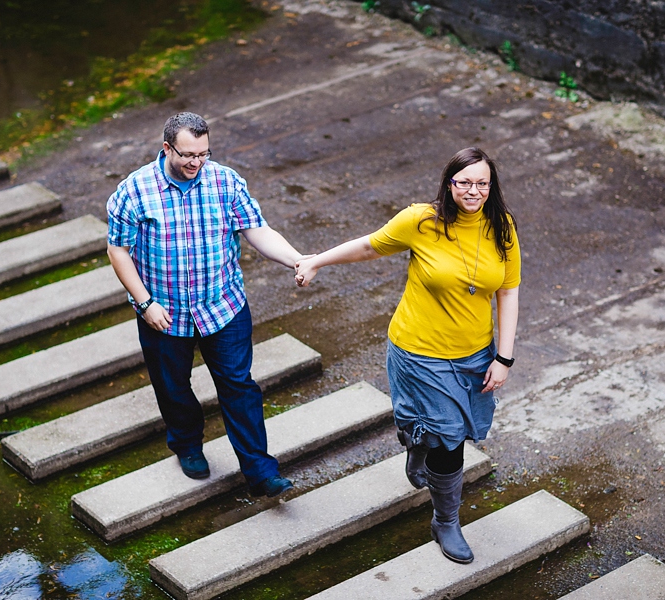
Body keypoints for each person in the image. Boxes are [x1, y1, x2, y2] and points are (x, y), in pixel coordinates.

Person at [294, 147, 521, 563]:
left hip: (474, 354)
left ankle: (417, 443)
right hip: (419, 353)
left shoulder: (502, 227)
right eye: (464, 182)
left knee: (444, 432)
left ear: (492, 186)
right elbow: (369, 246)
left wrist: (503, 358)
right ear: (449, 183)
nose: (474, 190)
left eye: (482, 183)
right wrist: (316, 262)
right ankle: (446, 521)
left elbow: (507, 292)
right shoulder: (421, 220)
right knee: (450, 442)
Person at [107, 112, 305, 498]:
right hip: (163, 313)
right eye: (187, 155)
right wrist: (145, 302)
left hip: (223, 306)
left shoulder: (225, 181)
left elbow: (256, 229)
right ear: (167, 148)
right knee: (173, 386)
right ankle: (187, 444)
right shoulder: (134, 191)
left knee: (239, 385)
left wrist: (297, 259)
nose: (196, 163)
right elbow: (118, 250)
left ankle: (261, 471)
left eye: (204, 153)